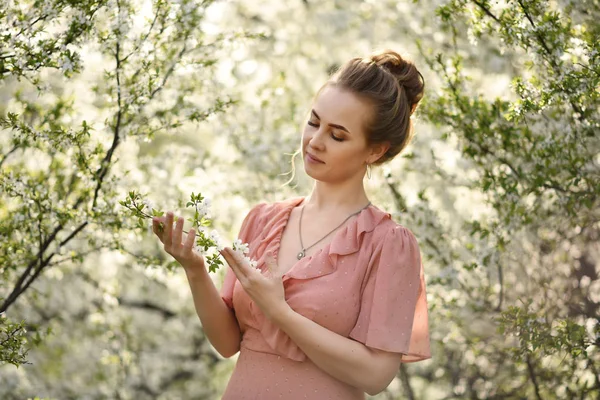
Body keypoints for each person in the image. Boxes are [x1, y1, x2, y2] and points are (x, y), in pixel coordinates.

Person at [152, 49, 430, 399]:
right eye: (314, 122)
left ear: (374, 151)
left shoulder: (388, 244)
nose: (315, 141)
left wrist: (279, 311)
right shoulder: (261, 220)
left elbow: (375, 376)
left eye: (337, 135)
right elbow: (228, 343)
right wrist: (194, 269)